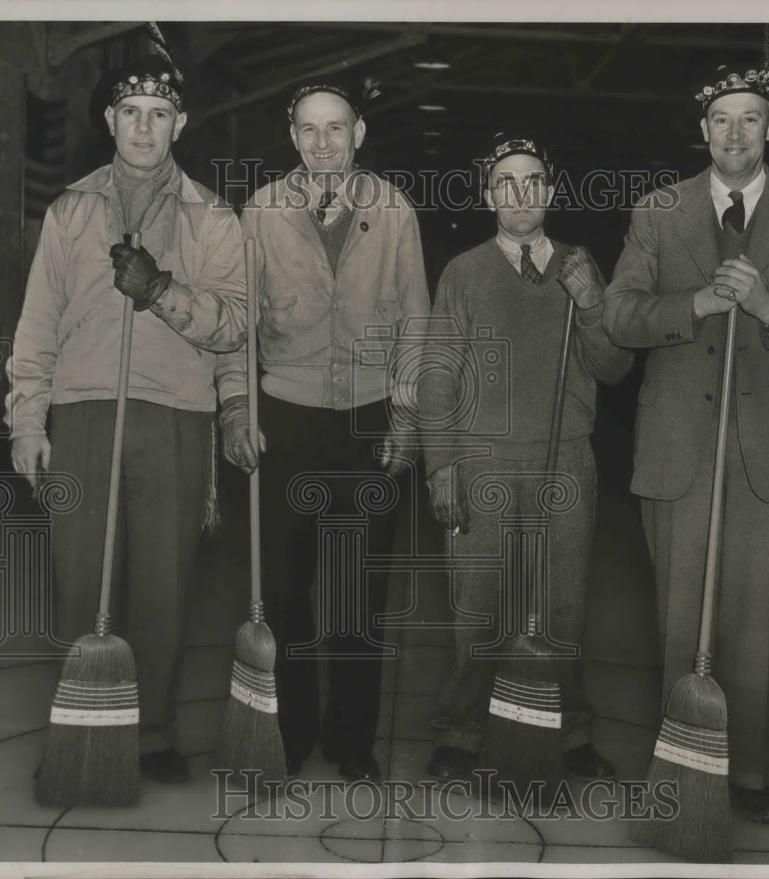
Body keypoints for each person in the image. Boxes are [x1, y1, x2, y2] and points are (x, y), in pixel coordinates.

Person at [602, 61, 769, 823]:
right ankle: (679, 770)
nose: (736, 132)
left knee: (749, 623)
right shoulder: (658, 211)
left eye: (751, 117)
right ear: (703, 130)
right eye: (722, 119)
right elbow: (620, 316)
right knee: (680, 617)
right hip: (678, 447)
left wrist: (768, 303)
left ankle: (745, 773)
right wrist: (698, 302)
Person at [8, 55, 247, 785]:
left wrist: (163, 292)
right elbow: (37, 324)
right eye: (132, 112)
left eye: (160, 113)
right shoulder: (70, 211)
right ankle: (86, 735)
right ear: (110, 121)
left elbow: (235, 324)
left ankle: (150, 736)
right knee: (83, 582)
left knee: (162, 586)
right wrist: (27, 418)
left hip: (174, 415)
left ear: (180, 123)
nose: (145, 127)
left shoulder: (213, 216)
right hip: (81, 412)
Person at [216, 77, 430, 782]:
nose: (322, 144)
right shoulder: (261, 214)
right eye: (308, 130)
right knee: (285, 590)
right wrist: (240, 409)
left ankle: (351, 741)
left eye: (335, 128)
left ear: (359, 133)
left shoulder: (394, 210)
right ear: (292, 137)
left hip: (369, 424)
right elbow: (238, 328)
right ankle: (290, 731)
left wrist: (405, 418)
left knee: (356, 592)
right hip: (287, 419)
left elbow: (415, 321)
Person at [418, 135, 633, 782]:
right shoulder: (464, 270)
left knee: (561, 602)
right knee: (479, 603)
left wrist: (593, 303)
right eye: (505, 182)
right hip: (481, 459)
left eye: (532, 180)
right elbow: (438, 375)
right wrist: (442, 463)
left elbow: (615, 367)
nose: (520, 194)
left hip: (563, 459)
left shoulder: (581, 264)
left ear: (550, 190)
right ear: (489, 195)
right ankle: (463, 728)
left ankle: (568, 733)